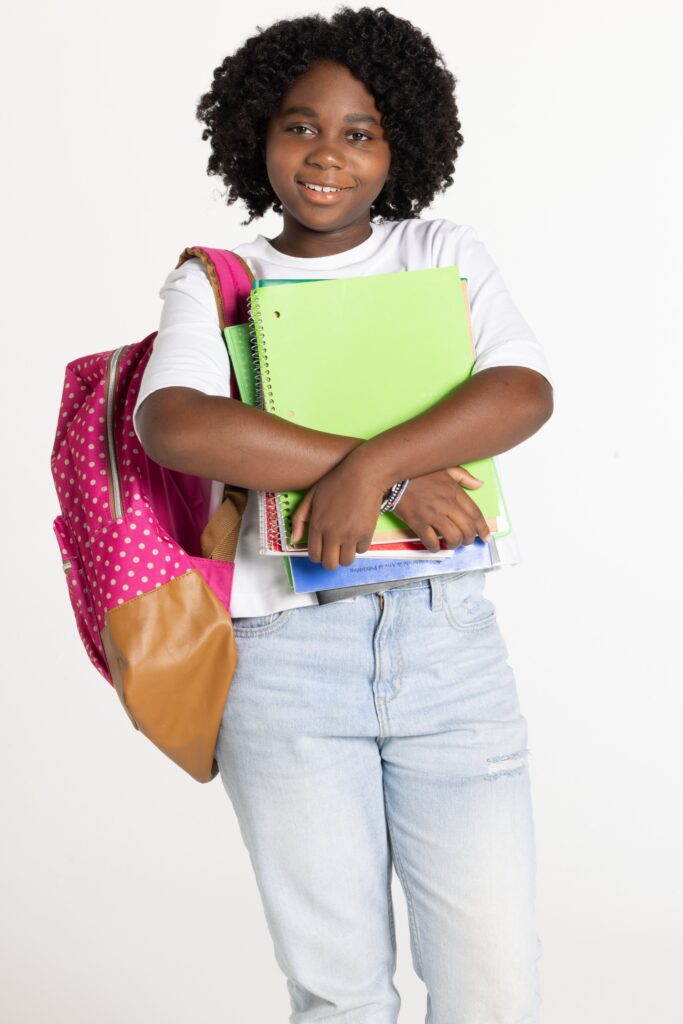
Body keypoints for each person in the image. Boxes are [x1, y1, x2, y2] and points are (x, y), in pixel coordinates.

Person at [134, 7, 554, 1022]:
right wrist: (390, 478)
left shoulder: (435, 251)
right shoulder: (220, 280)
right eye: (298, 126)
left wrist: (371, 469)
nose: (326, 154)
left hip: (448, 649)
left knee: (492, 984)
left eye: (359, 130)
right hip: (284, 660)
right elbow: (177, 421)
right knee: (338, 991)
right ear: (253, 136)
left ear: (400, 142)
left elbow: (520, 391)